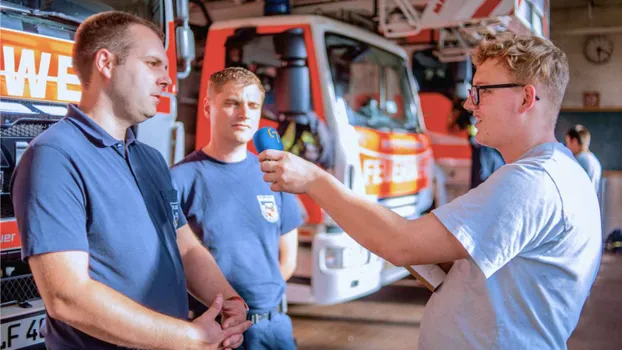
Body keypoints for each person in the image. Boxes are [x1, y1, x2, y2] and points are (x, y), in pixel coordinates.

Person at [258, 32, 602, 349]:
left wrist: (314, 179)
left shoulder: (532, 181)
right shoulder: (554, 172)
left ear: (526, 97)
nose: (470, 105)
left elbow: (401, 244)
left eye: (481, 90)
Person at [10, 12, 251, 350]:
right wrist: (190, 337)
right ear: (106, 63)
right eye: (153, 63)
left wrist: (228, 299)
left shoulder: (149, 158)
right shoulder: (54, 156)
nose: (167, 81)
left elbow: (185, 247)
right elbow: (67, 296)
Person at [171, 67, 303, 350]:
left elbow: (288, 258)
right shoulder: (179, 180)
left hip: (274, 328)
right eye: (232, 103)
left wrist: (260, 311)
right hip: (218, 333)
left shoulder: (274, 174)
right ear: (209, 107)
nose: (245, 113)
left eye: (253, 105)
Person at [565, 124, 602, 193]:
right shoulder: (594, 160)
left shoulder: (579, 160)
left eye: (567, 142)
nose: (567, 147)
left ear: (574, 141)